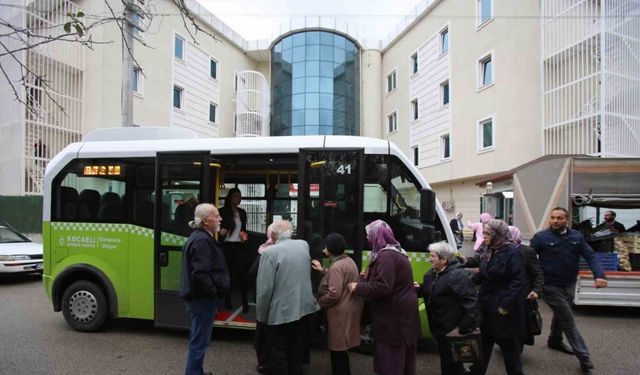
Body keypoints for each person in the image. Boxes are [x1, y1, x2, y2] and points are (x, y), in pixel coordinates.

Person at [530, 207, 608, 375]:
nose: (555, 221)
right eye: (552, 218)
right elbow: (529, 259)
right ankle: (584, 358)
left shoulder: (576, 237)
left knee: (562, 312)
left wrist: (599, 275)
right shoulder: (541, 237)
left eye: (559, 218)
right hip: (550, 285)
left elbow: (590, 256)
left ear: (567, 220)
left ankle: (555, 340)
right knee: (568, 319)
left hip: (570, 283)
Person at [347, 220, 420, 375]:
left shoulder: (386, 256)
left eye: (369, 235)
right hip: (403, 320)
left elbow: (384, 287)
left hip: (393, 322)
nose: (367, 239)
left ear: (376, 236)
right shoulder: (396, 252)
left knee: (390, 364)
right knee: (403, 363)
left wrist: (357, 287)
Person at [256, 220, 320, 375]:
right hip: (303, 309)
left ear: (272, 235)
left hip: (280, 312)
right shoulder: (303, 245)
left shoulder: (269, 253)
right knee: (296, 348)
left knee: (279, 352)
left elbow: (265, 290)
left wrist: (261, 317)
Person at [178, 203, 230, 375]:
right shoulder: (202, 240)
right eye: (216, 215)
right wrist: (213, 292)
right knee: (199, 342)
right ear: (206, 221)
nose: (220, 218)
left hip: (199, 298)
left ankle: (196, 371)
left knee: (198, 339)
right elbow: (200, 273)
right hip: (201, 299)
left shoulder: (201, 236)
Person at [471, 219, 526, 375]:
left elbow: (518, 282)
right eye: (484, 233)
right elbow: (483, 273)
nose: (484, 236)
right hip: (487, 305)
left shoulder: (513, 253)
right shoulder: (489, 250)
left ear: (498, 234)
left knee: (509, 349)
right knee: (483, 345)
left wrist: (506, 305)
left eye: (488, 233)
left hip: (503, 310)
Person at [416, 242, 479, 375]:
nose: (429, 259)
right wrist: (419, 289)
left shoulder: (457, 276)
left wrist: (461, 329)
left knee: (453, 364)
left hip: (453, 331)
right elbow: (431, 290)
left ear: (444, 260)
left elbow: (471, 304)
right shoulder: (432, 274)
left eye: (432, 256)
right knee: (447, 361)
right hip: (440, 330)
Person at [311, 233, 363, 375]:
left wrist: (319, 302)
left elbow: (334, 293)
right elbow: (340, 278)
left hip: (339, 313)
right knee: (342, 351)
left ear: (330, 249)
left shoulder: (336, 267)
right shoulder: (348, 261)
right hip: (349, 309)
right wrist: (323, 270)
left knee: (337, 351)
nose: (324, 248)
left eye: (326, 246)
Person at [509, 225, 544, 349]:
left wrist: (536, 290)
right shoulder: (497, 249)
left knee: (519, 326)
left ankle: (516, 351)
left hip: (522, 295)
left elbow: (537, 273)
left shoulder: (527, 251)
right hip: (504, 294)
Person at [250, 222, 277, 374]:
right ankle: (266, 362)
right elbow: (254, 272)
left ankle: (264, 362)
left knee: (263, 329)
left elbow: (253, 273)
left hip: (264, 296)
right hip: (270, 298)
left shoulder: (265, 249)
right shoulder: (272, 251)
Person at [218, 188, 251, 313]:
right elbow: (219, 230)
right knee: (229, 274)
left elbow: (243, 229)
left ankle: (245, 303)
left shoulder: (242, 212)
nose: (239, 199)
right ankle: (227, 301)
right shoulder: (222, 211)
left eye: (240, 196)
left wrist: (244, 235)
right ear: (230, 197)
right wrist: (221, 232)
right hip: (227, 246)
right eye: (236, 196)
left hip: (239, 245)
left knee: (242, 274)